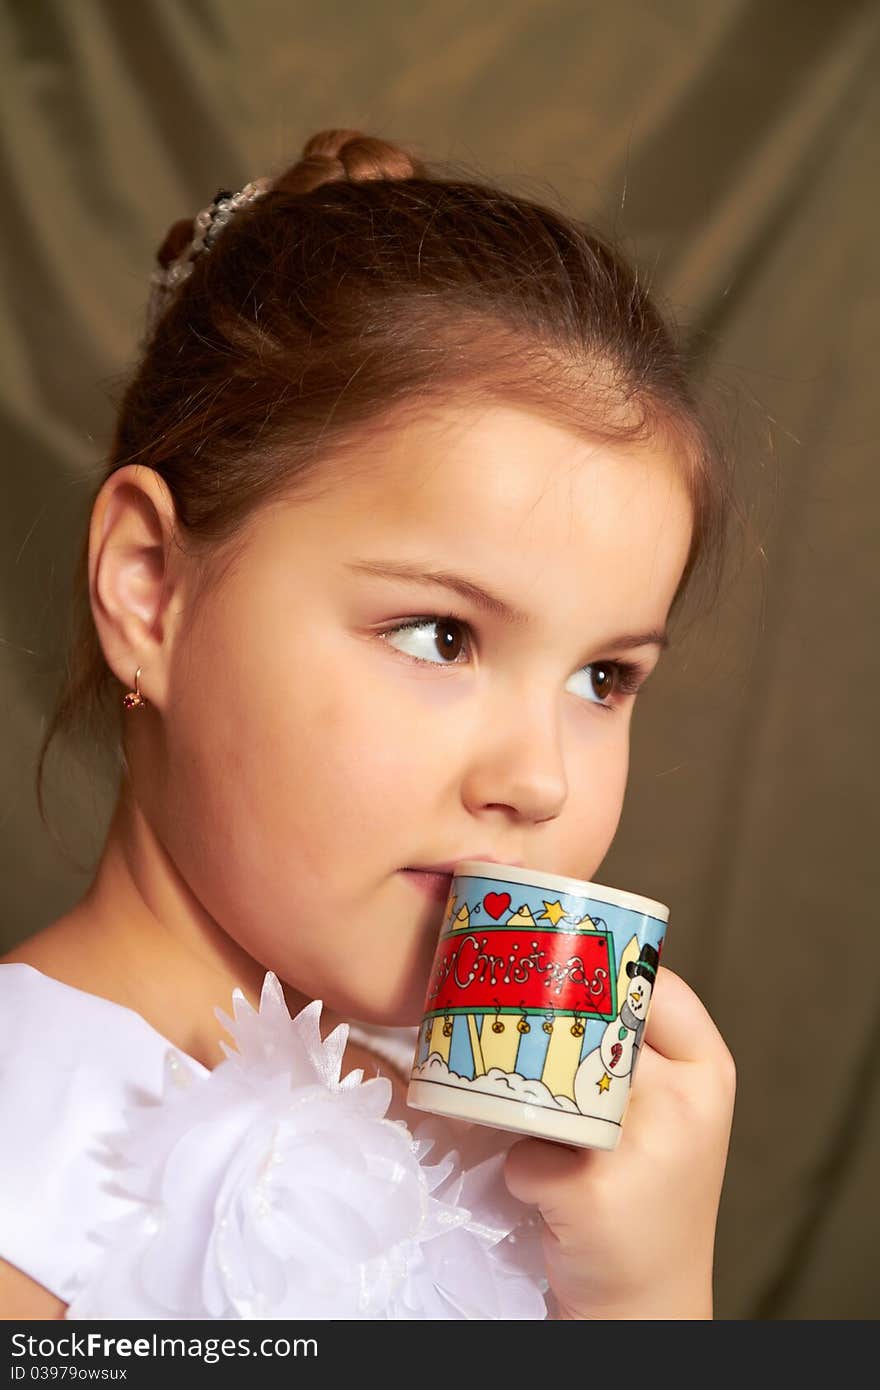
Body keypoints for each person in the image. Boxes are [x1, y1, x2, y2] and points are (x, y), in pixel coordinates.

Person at [0, 127, 737, 1320]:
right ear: (150, 586)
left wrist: (647, 1298)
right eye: (440, 635)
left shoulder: (564, 1190)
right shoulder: (25, 1171)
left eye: (603, 678)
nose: (539, 780)